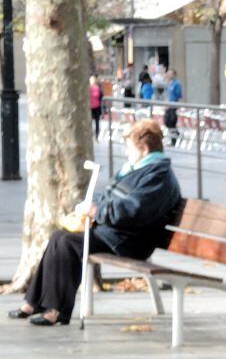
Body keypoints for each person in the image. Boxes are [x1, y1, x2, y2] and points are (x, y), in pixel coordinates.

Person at [9, 120, 181, 326]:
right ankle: (32, 301)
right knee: (58, 236)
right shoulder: (137, 169)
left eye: (129, 147)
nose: (126, 153)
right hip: (114, 234)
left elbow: (133, 211)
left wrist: (97, 211)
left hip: (130, 242)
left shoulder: (157, 176)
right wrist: (91, 206)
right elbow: (108, 196)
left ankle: (55, 311)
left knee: (68, 243)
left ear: (143, 149)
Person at [164, 69, 183, 147]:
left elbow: (179, 95)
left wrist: (178, 105)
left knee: (172, 122)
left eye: (170, 74)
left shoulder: (177, 84)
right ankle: (174, 136)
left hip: (174, 106)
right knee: (167, 122)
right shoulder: (169, 84)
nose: (168, 75)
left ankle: (174, 140)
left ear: (174, 75)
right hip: (169, 105)